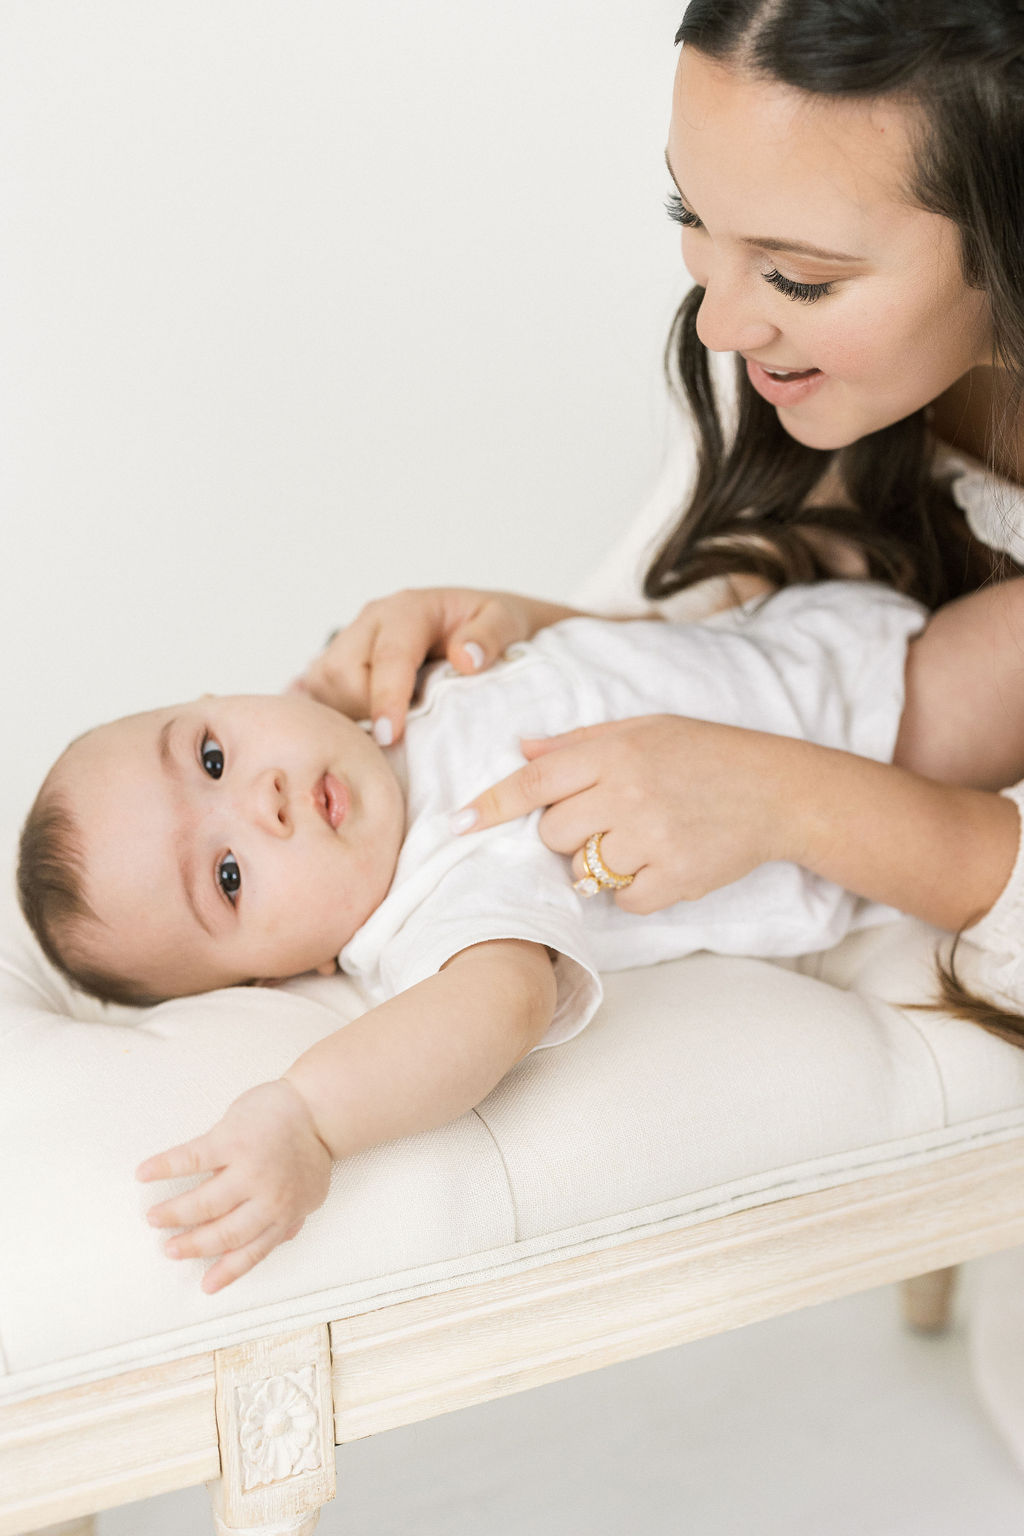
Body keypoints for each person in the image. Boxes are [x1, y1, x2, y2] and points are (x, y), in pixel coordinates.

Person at [294, 2, 1024, 1025]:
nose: (720, 323)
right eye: (688, 218)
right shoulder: (777, 366)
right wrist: (542, 637)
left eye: (798, 276)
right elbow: (748, 661)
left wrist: (792, 800)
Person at [14, 576, 1024, 1291]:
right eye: (228, 876)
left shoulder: (392, 706)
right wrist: (309, 1118)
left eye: (210, 754)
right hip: (891, 734)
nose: (262, 799)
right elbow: (495, 1005)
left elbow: (597, 643)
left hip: (811, 622)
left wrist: (500, 614)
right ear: (292, 972)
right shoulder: (437, 895)